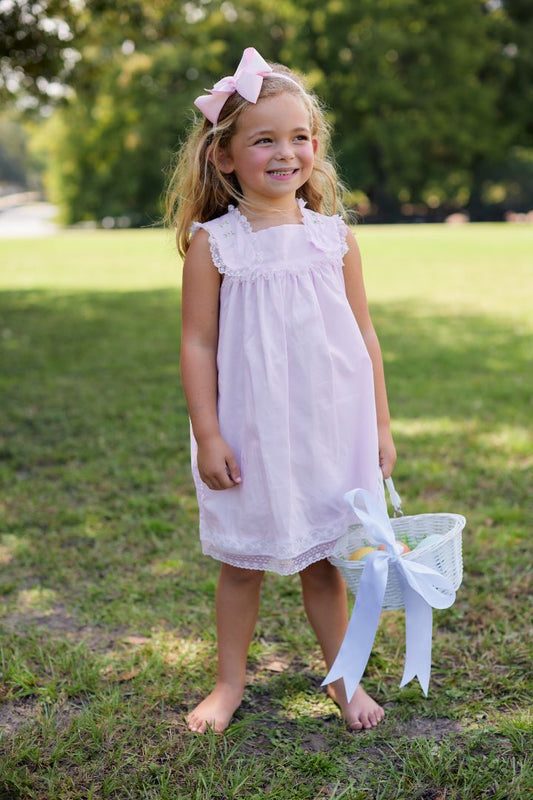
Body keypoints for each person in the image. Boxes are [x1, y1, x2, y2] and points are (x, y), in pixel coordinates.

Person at [166, 47, 396, 734]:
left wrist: (379, 426)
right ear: (225, 157)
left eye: (298, 137)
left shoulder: (335, 240)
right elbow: (196, 344)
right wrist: (208, 433)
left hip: (328, 424)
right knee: (243, 561)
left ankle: (343, 679)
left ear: (315, 148)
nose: (284, 151)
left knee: (325, 562)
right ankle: (228, 683)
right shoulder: (215, 245)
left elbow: (364, 336)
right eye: (263, 138)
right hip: (251, 428)